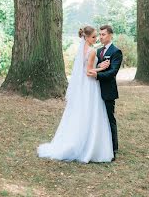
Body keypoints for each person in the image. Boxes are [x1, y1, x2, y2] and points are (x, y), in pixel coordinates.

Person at [37, 25, 114, 163]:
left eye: (96, 36)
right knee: (91, 112)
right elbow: (89, 72)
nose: (96, 39)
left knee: (81, 112)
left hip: (82, 86)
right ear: (86, 37)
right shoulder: (91, 51)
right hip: (90, 86)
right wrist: (101, 67)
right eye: (93, 37)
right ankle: (89, 146)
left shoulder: (82, 50)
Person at [87, 25, 123, 160]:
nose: (101, 37)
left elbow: (113, 72)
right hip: (95, 91)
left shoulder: (116, 52)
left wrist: (97, 75)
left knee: (109, 119)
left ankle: (113, 148)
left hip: (108, 91)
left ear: (110, 35)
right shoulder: (98, 51)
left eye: (103, 34)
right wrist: (97, 69)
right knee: (98, 119)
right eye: (100, 34)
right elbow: (93, 67)